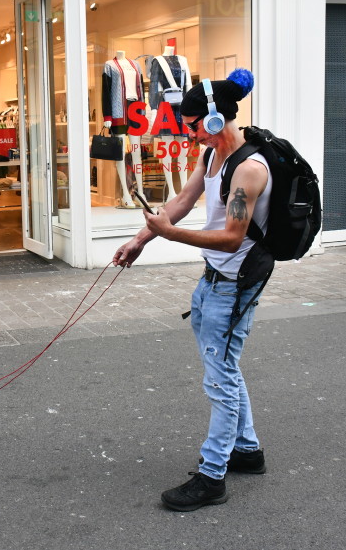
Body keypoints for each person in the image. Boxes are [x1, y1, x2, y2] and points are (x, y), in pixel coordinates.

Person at [113, 68, 268, 512]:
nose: (190, 132)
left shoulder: (249, 170)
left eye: (194, 124)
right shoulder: (211, 155)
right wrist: (141, 240)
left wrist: (170, 234)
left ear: (217, 117)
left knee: (220, 379)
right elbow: (181, 203)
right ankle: (247, 450)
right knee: (225, 370)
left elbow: (232, 238)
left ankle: (212, 477)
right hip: (212, 280)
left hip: (235, 285)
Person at [102, 50, 145, 208]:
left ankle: (140, 193)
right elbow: (106, 91)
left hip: (135, 109)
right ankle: (126, 194)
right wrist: (107, 116)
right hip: (118, 110)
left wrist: (143, 109)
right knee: (120, 154)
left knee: (137, 152)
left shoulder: (136, 65)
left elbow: (141, 87)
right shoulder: (109, 65)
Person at [149, 45, 191, 202]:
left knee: (183, 150)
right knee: (166, 149)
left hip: (182, 106)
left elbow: (188, 85)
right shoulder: (157, 61)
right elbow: (154, 86)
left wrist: (192, 108)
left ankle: (184, 191)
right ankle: (171, 191)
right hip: (165, 106)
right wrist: (154, 109)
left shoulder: (183, 60)